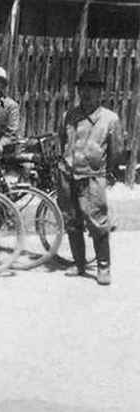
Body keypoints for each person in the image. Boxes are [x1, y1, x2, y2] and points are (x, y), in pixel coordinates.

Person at [59, 69, 123, 285]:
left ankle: (103, 267)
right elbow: (63, 142)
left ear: (100, 92)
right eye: (82, 88)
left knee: (98, 222)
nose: (86, 92)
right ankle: (79, 263)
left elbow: (116, 152)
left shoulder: (110, 119)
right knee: (71, 220)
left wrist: (105, 171)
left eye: (92, 88)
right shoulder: (70, 115)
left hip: (93, 177)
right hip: (68, 176)